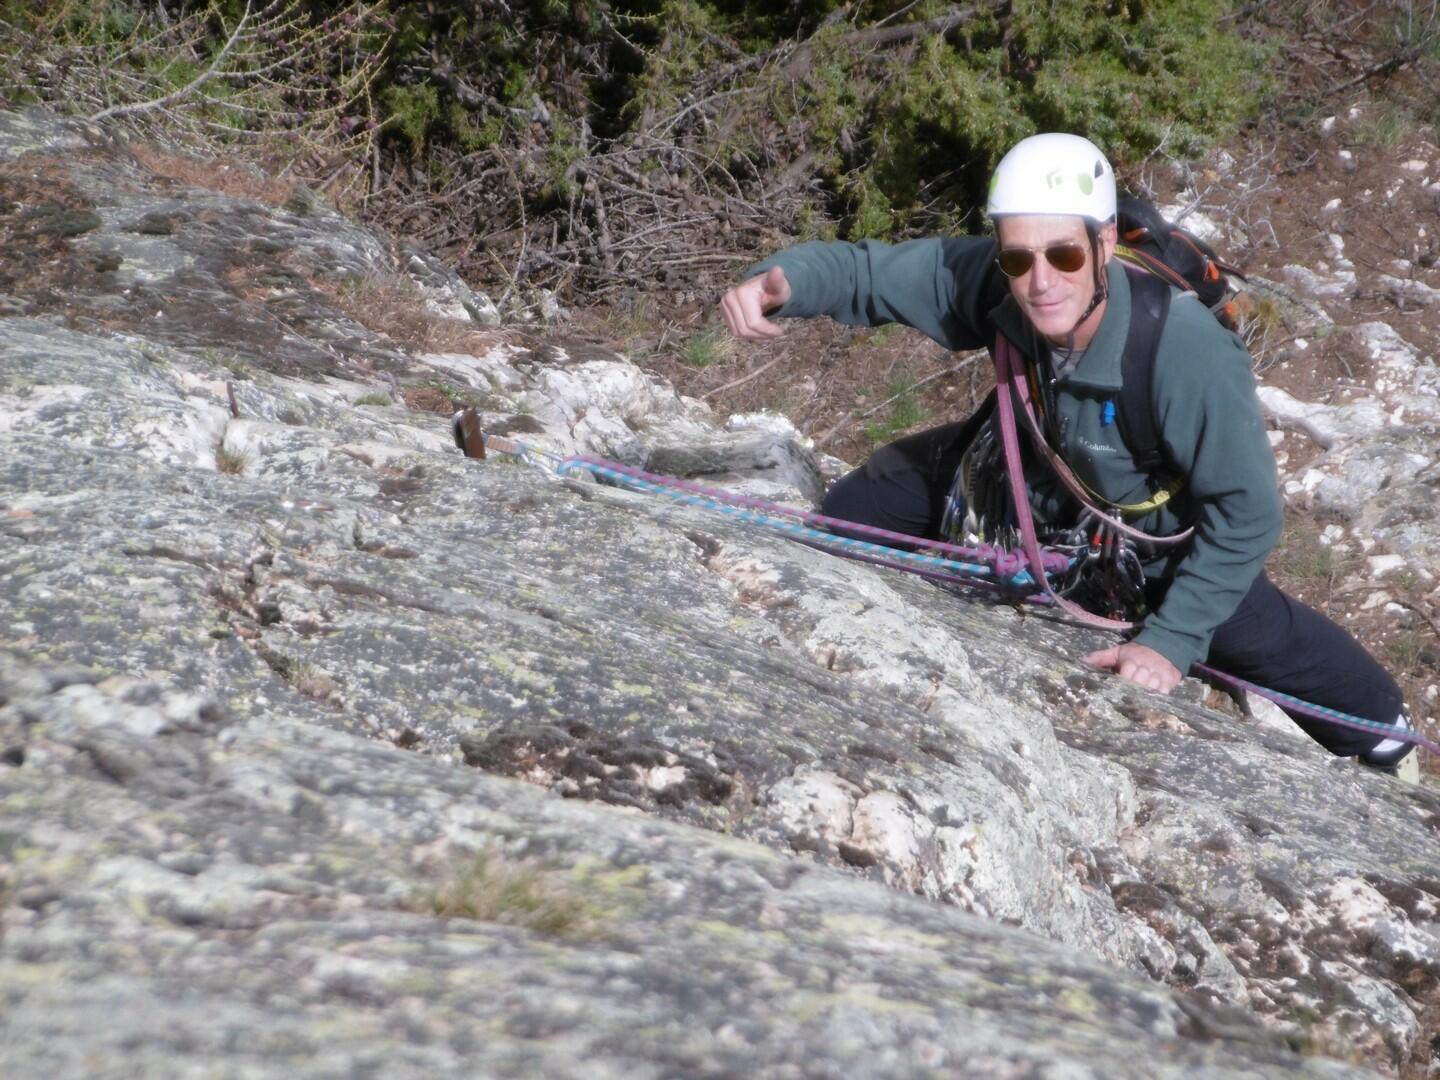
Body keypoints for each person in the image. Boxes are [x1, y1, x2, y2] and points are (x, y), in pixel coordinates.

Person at [720, 132, 1415, 772]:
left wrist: (1171, 641)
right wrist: (783, 282)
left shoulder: (1181, 350)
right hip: (1021, 470)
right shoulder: (1002, 282)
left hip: (1151, 544)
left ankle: (1387, 732)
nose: (1040, 281)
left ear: (1103, 243)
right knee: (854, 511)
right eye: (1018, 258)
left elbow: (1248, 513)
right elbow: (874, 273)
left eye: (1064, 255)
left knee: (1275, 651)